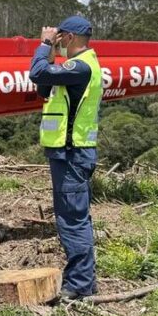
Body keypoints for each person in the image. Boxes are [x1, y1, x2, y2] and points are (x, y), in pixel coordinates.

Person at [29, 15, 103, 300]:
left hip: (73, 154)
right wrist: (50, 53)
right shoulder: (74, 67)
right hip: (68, 153)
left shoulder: (80, 67)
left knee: (72, 219)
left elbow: (36, 73)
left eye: (59, 38)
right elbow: (43, 86)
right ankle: (83, 280)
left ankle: (80, 284)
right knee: (71, 217)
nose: (56, 43)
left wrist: (43, 44)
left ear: (69, 38)